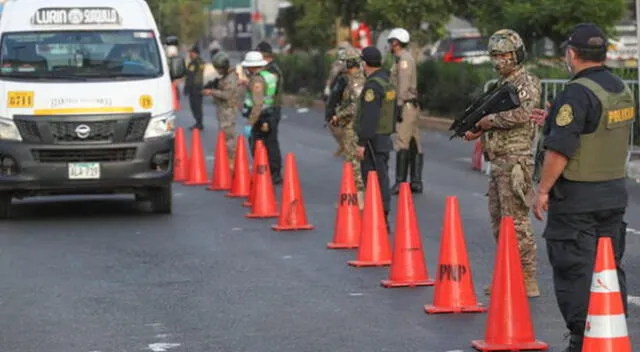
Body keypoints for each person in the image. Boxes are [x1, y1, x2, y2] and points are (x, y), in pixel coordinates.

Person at [530, 23, 632, 352]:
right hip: (613, 194)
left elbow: (560, 150)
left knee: (576, 271)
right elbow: (596, 129)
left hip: (577, 201)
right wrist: (552, 116)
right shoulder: (619, 87)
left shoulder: (575, 93)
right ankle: (609, 330)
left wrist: (543, 190)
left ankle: (582, 340)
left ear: (572, 54)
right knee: (606, 267)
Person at [463, 29, 541, 298]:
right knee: (499, 222)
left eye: (504, 55)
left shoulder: (526, 82)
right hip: (498, 161)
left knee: (517, 221)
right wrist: (477, 129)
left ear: (516, 54)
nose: (499, 60)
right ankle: (508, 274)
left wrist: (490, 121)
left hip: (516, 161)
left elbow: (523, 113)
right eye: (495, 55)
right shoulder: (501, 85)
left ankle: (527, 277)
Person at [355, 46, 395, 230]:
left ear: (364, 63)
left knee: (373, 178)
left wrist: (362, 142)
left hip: (373, 140)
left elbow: (369, 117)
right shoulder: (386, 81)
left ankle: (379, 217)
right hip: (384, 137)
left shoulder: (372, 86)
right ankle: (383, 215)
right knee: (382, 176)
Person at [330, 47, 366, 210]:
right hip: (350, 125)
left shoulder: (357, 81)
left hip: (353, 125)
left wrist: (339, 115)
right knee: (351, 162)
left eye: (344, 62)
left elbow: (355, 106)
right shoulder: (350, 79)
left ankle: (359, 200)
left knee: (354, 163)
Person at [387, 28, 423, 195]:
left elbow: (403, 84)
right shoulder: (403, 58)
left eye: (390, 41)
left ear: (396, 42)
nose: (389, 44)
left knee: (402, 141)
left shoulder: (403, 60)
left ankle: (400, 183)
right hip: (410, 105)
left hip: (406, 105)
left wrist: (399, 105)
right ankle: (415, 181)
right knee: (413, 141)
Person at [241, 51, 281, 185]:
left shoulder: (257, 80)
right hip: (270, 113)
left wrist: (250, 123)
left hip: (260, 116)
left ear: (252, 67)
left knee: (258, 146)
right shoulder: (269, 75)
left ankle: (263, 173)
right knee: (271, 144)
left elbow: (257, 104)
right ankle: (275, 173)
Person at [202, 52, 241, 171]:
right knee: (224, 137)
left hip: (228, 111)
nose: (217, 71)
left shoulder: (230, 78)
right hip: (223, 111)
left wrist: (211, 92)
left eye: (218, 68)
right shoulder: (225, 77)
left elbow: (227, 95)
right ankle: (228, 163)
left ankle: (232, 164)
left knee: (229, 138)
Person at [256, 42, 283, 184]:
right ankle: (266, 169)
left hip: (271, 109)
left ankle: (275, 172)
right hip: (265, 108)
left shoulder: (273, 71)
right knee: (264, 140)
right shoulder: (266, 69)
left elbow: (268, 91)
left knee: (271, 140)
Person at [184, 45, 205, 130]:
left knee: (194, 106)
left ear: (194, 53)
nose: (189, 54)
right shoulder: (201, 61)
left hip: (194, 87)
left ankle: (198, 123)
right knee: (198, 105)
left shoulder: (193, 63)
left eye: (191, 52)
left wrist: (187, 87)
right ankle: (199, 122)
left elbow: (191, 76)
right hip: (200, 85)